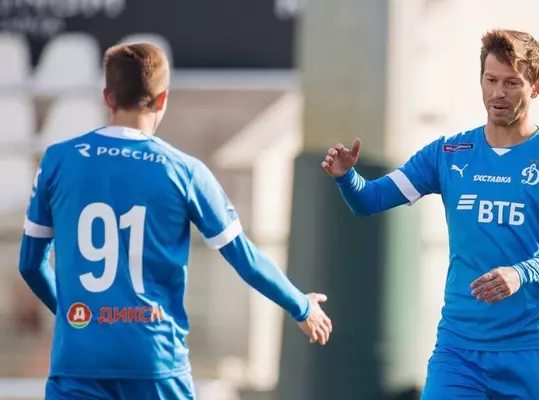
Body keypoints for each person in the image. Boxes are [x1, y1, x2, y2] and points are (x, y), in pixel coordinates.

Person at [18, 42, 332, 400]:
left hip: (78, 365)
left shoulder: (57, 160)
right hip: (156, 363)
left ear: (107, 97)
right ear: (163, 99)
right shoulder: (184, 171)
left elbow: (30, 265)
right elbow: (244, 258)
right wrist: (300, 306)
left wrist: (77, 320)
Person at [322, 29, 539, 399]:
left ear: (536, 87)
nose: (498, 92)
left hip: (531, 352)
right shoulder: (448, 153)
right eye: (491, 80)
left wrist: (518, 273)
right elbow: (369, 200)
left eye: (512, 83)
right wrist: (346, 177)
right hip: (459, 353)